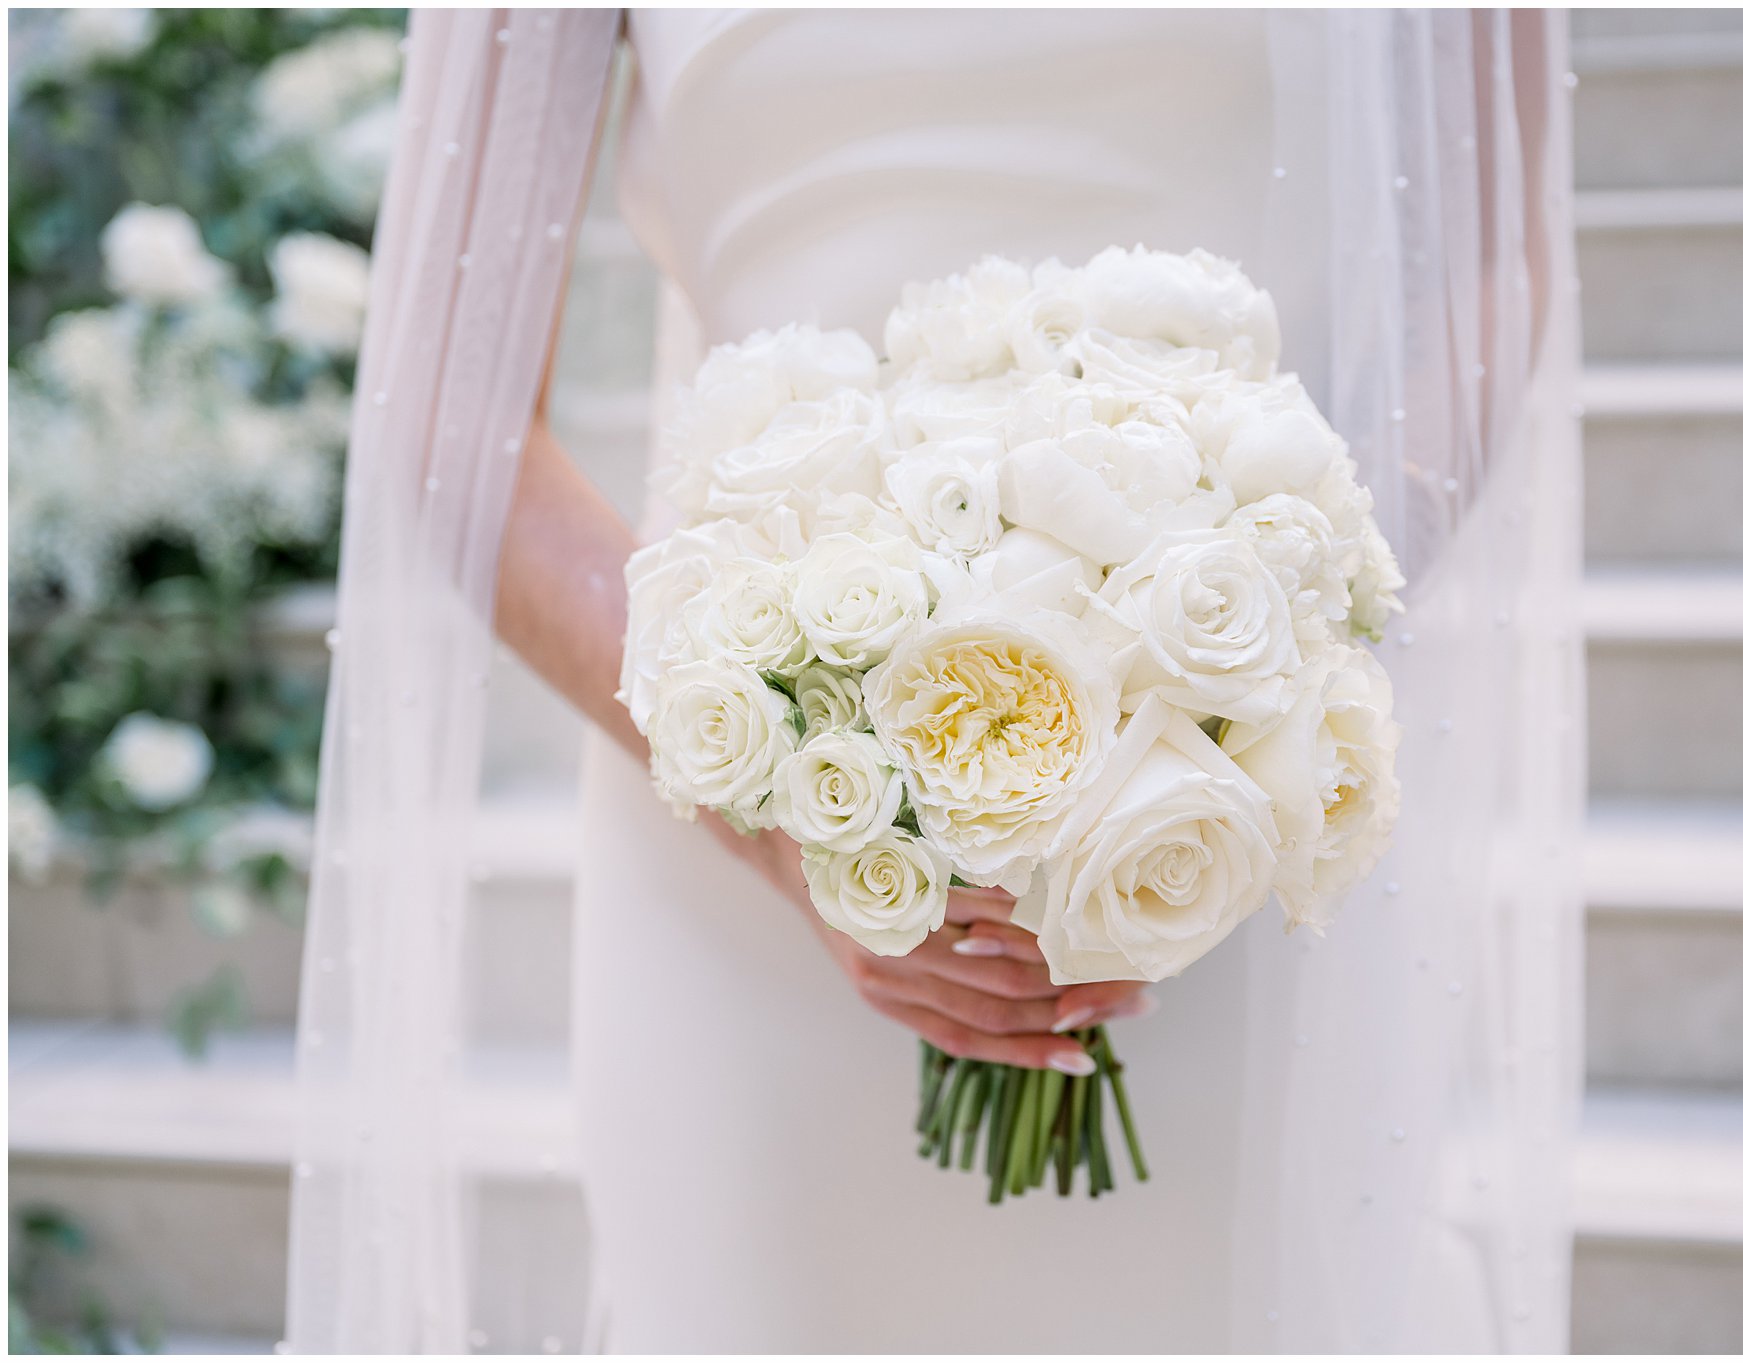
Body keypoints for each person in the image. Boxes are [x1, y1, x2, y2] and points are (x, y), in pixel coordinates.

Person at [288, 9, 1583, 1353]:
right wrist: (796, 817)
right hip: (755, 854)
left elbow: (1488, 266)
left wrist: (1261, 646)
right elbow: (453, 408)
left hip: (1220, 847)